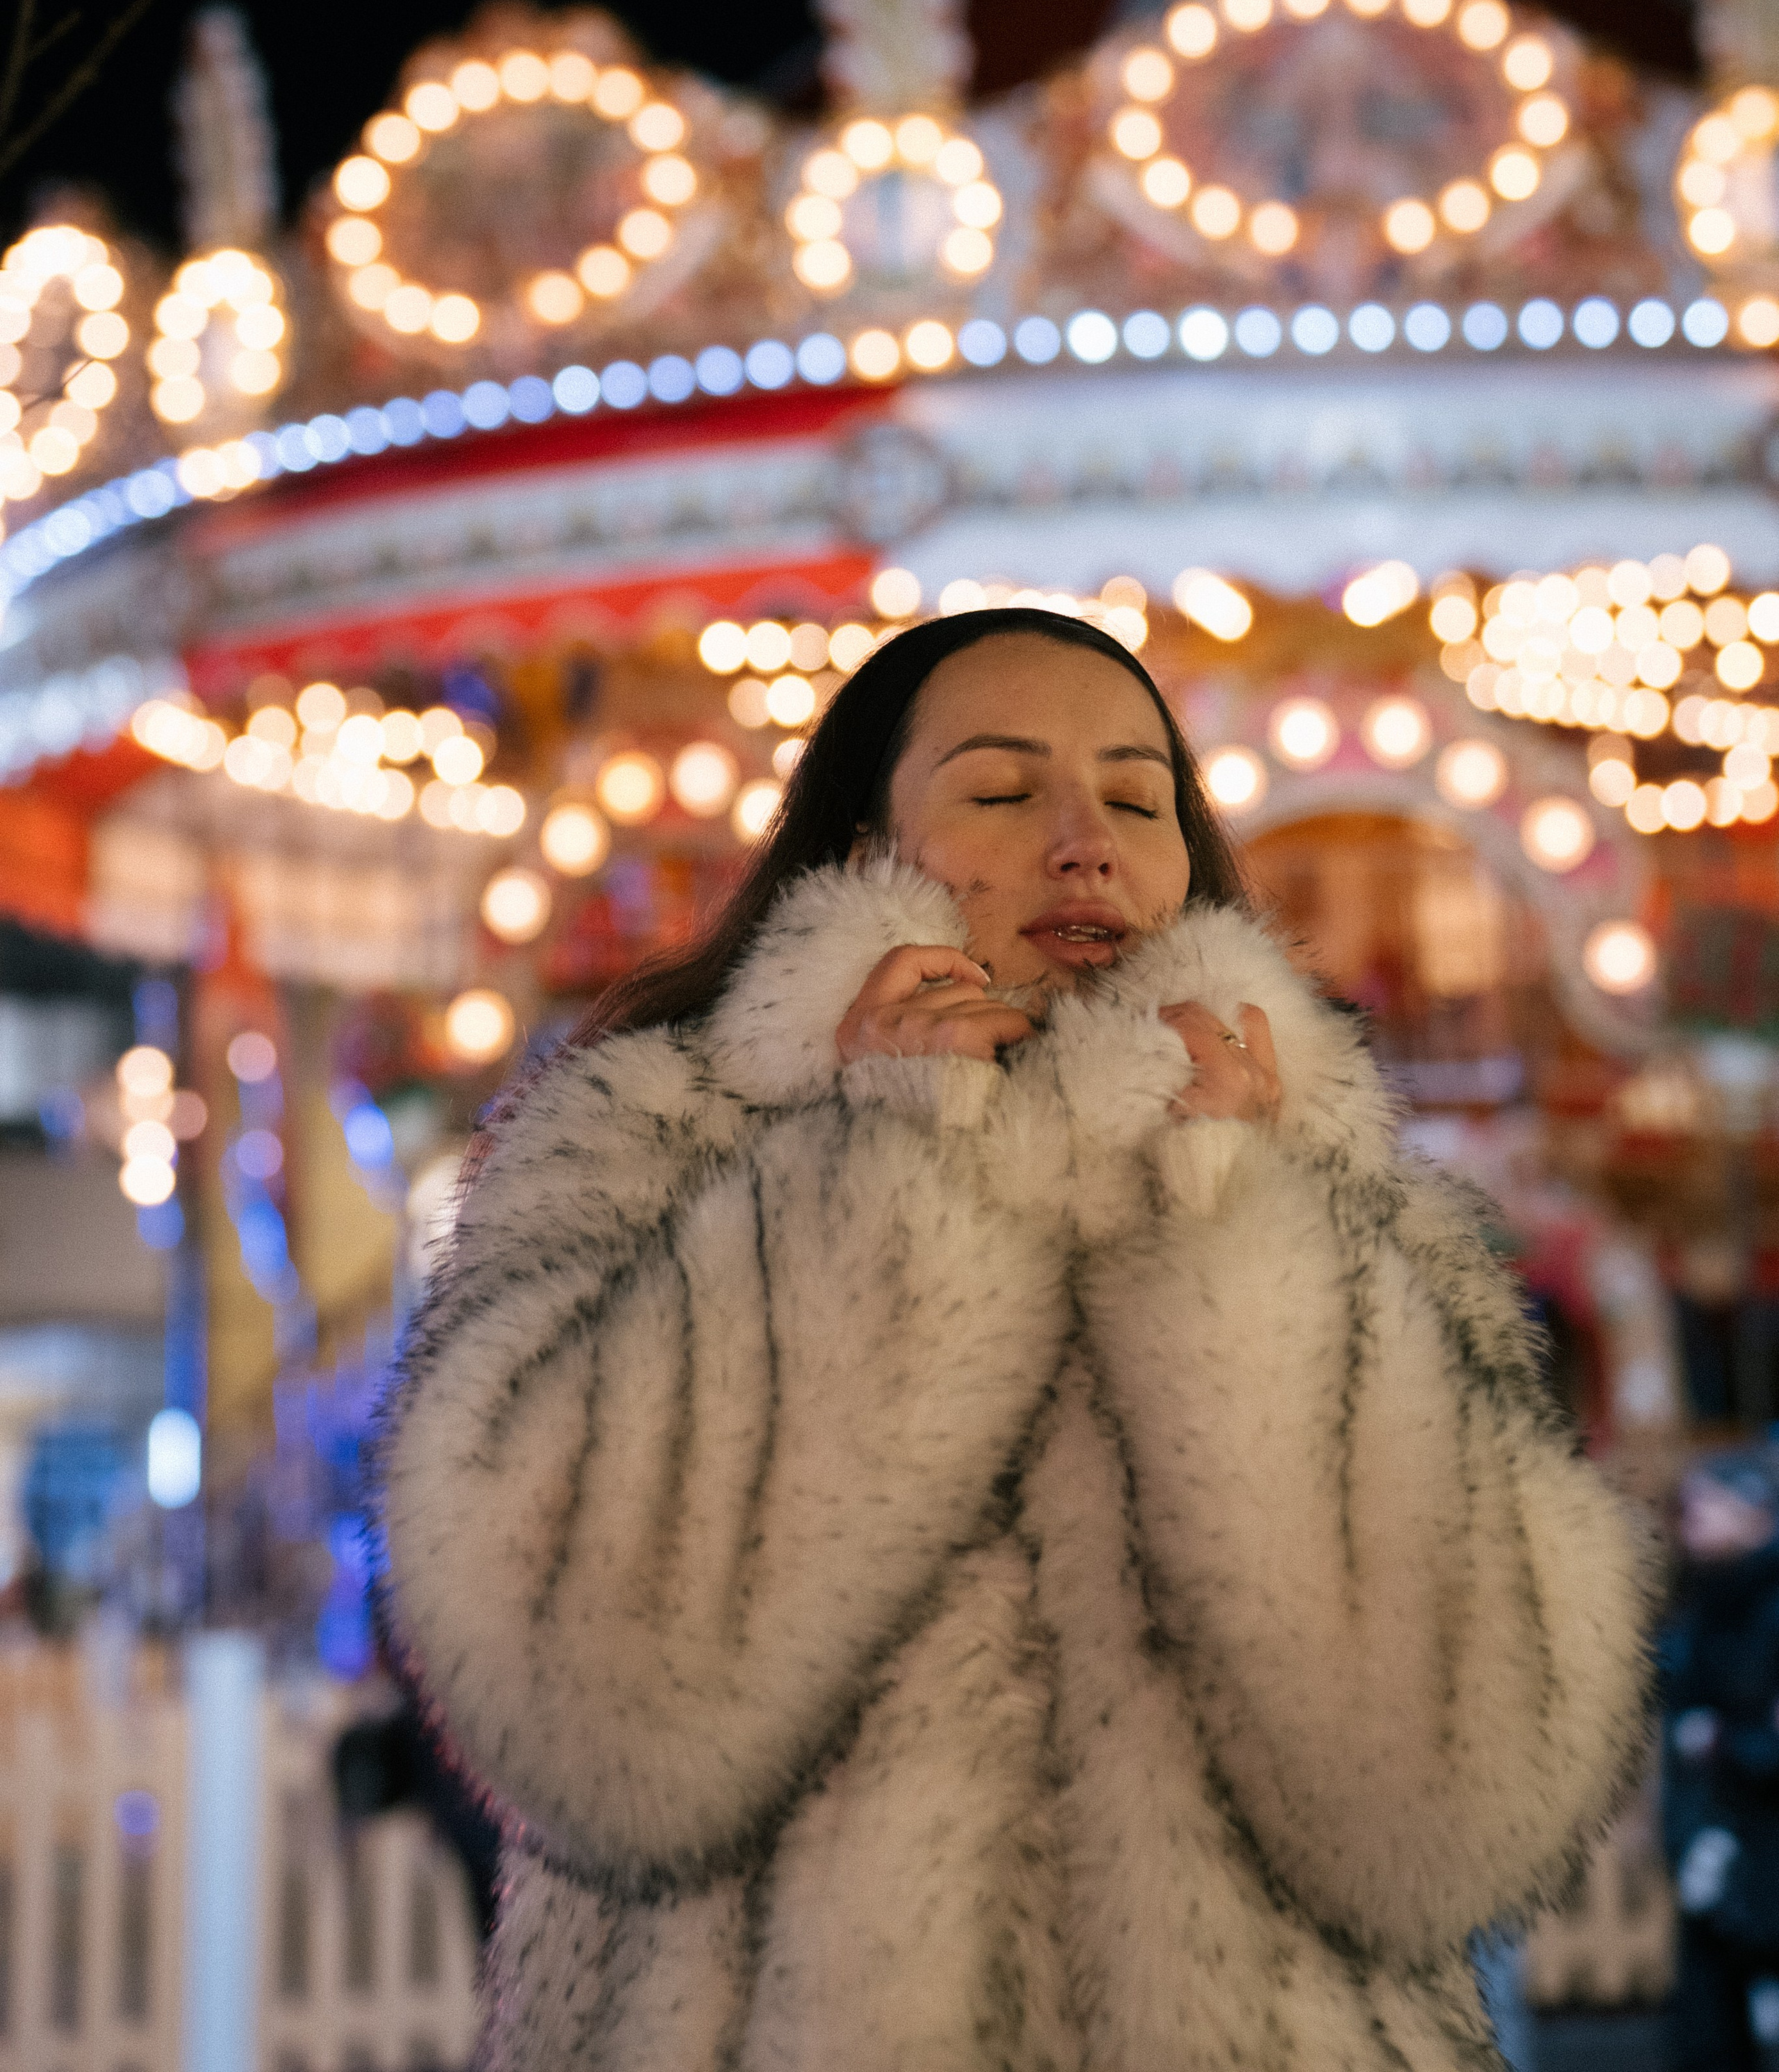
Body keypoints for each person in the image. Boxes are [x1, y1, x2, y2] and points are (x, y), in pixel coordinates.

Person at [382, 610, 1651, 2069]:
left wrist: (1239, 1249)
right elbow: (581, 1711)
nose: (1083, 843)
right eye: (1000, 792)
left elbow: (1459, 1798)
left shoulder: (1335, 1194)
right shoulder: (647, 1142)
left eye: (1134, 797)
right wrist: (874, 1190)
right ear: (860, 847)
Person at [1662, 1446, 1779, 2071]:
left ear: (1755, 1512)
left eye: (1707, 1504)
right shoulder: (1698, 1610)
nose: (1690, 1520)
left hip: (1766, 1856)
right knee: (1709, 2042)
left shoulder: (1767, 1610)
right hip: (1709, 1856)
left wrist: (1730, 1744)